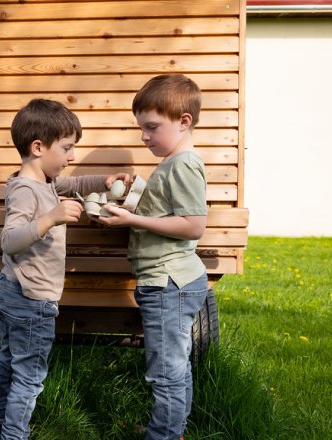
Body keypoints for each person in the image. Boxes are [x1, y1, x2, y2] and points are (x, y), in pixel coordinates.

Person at [0, 98, 130, 440]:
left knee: (7, 362)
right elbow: (10, 239)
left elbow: (71, 184)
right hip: (30, 298)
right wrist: (51, 218)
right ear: (38, 147)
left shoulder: (41, 181)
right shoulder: (26, 192)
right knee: (28, 376)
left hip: (15, 292)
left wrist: (103, 181)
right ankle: (13, 436)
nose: (72, 157)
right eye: (67, 148)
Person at [95, 73, 209, 440]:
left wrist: (131, 219)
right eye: (141, 128)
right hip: (166, 280)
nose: (144, 136)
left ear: (184, 122)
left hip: (168, 282)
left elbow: (193, 225)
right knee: (174, 368)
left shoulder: (184, 164)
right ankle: (172, 431)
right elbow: (165, 210)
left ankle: (163, 435)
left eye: (152, 127)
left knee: (166, 371)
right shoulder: (172, 163)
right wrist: (134, 192)